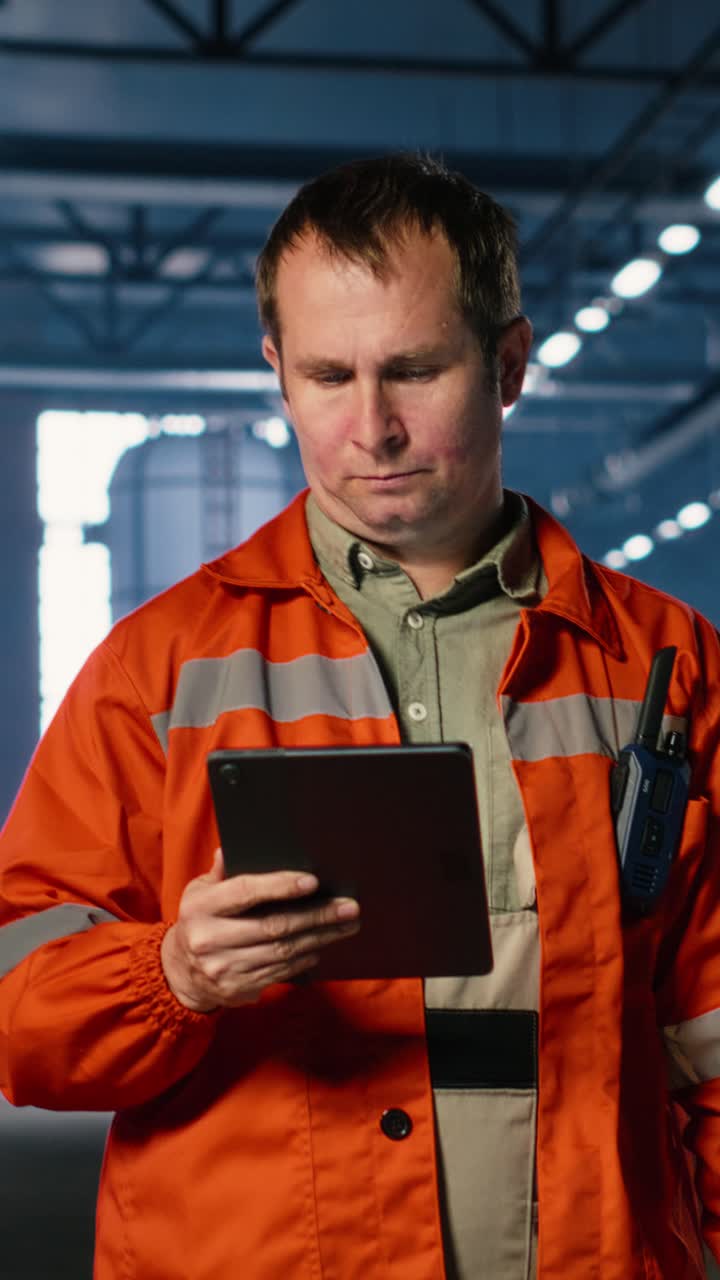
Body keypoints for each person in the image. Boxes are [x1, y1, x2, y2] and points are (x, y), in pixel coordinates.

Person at [0, 153, 719, 1280]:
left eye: (414, 370)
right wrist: (172, 973)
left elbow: (711, 1026)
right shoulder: (158, 671)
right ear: (277, 371)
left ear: (510, 362)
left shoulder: (669, 668)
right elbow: (19, 1020)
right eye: (328, 375)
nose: (371, 427)